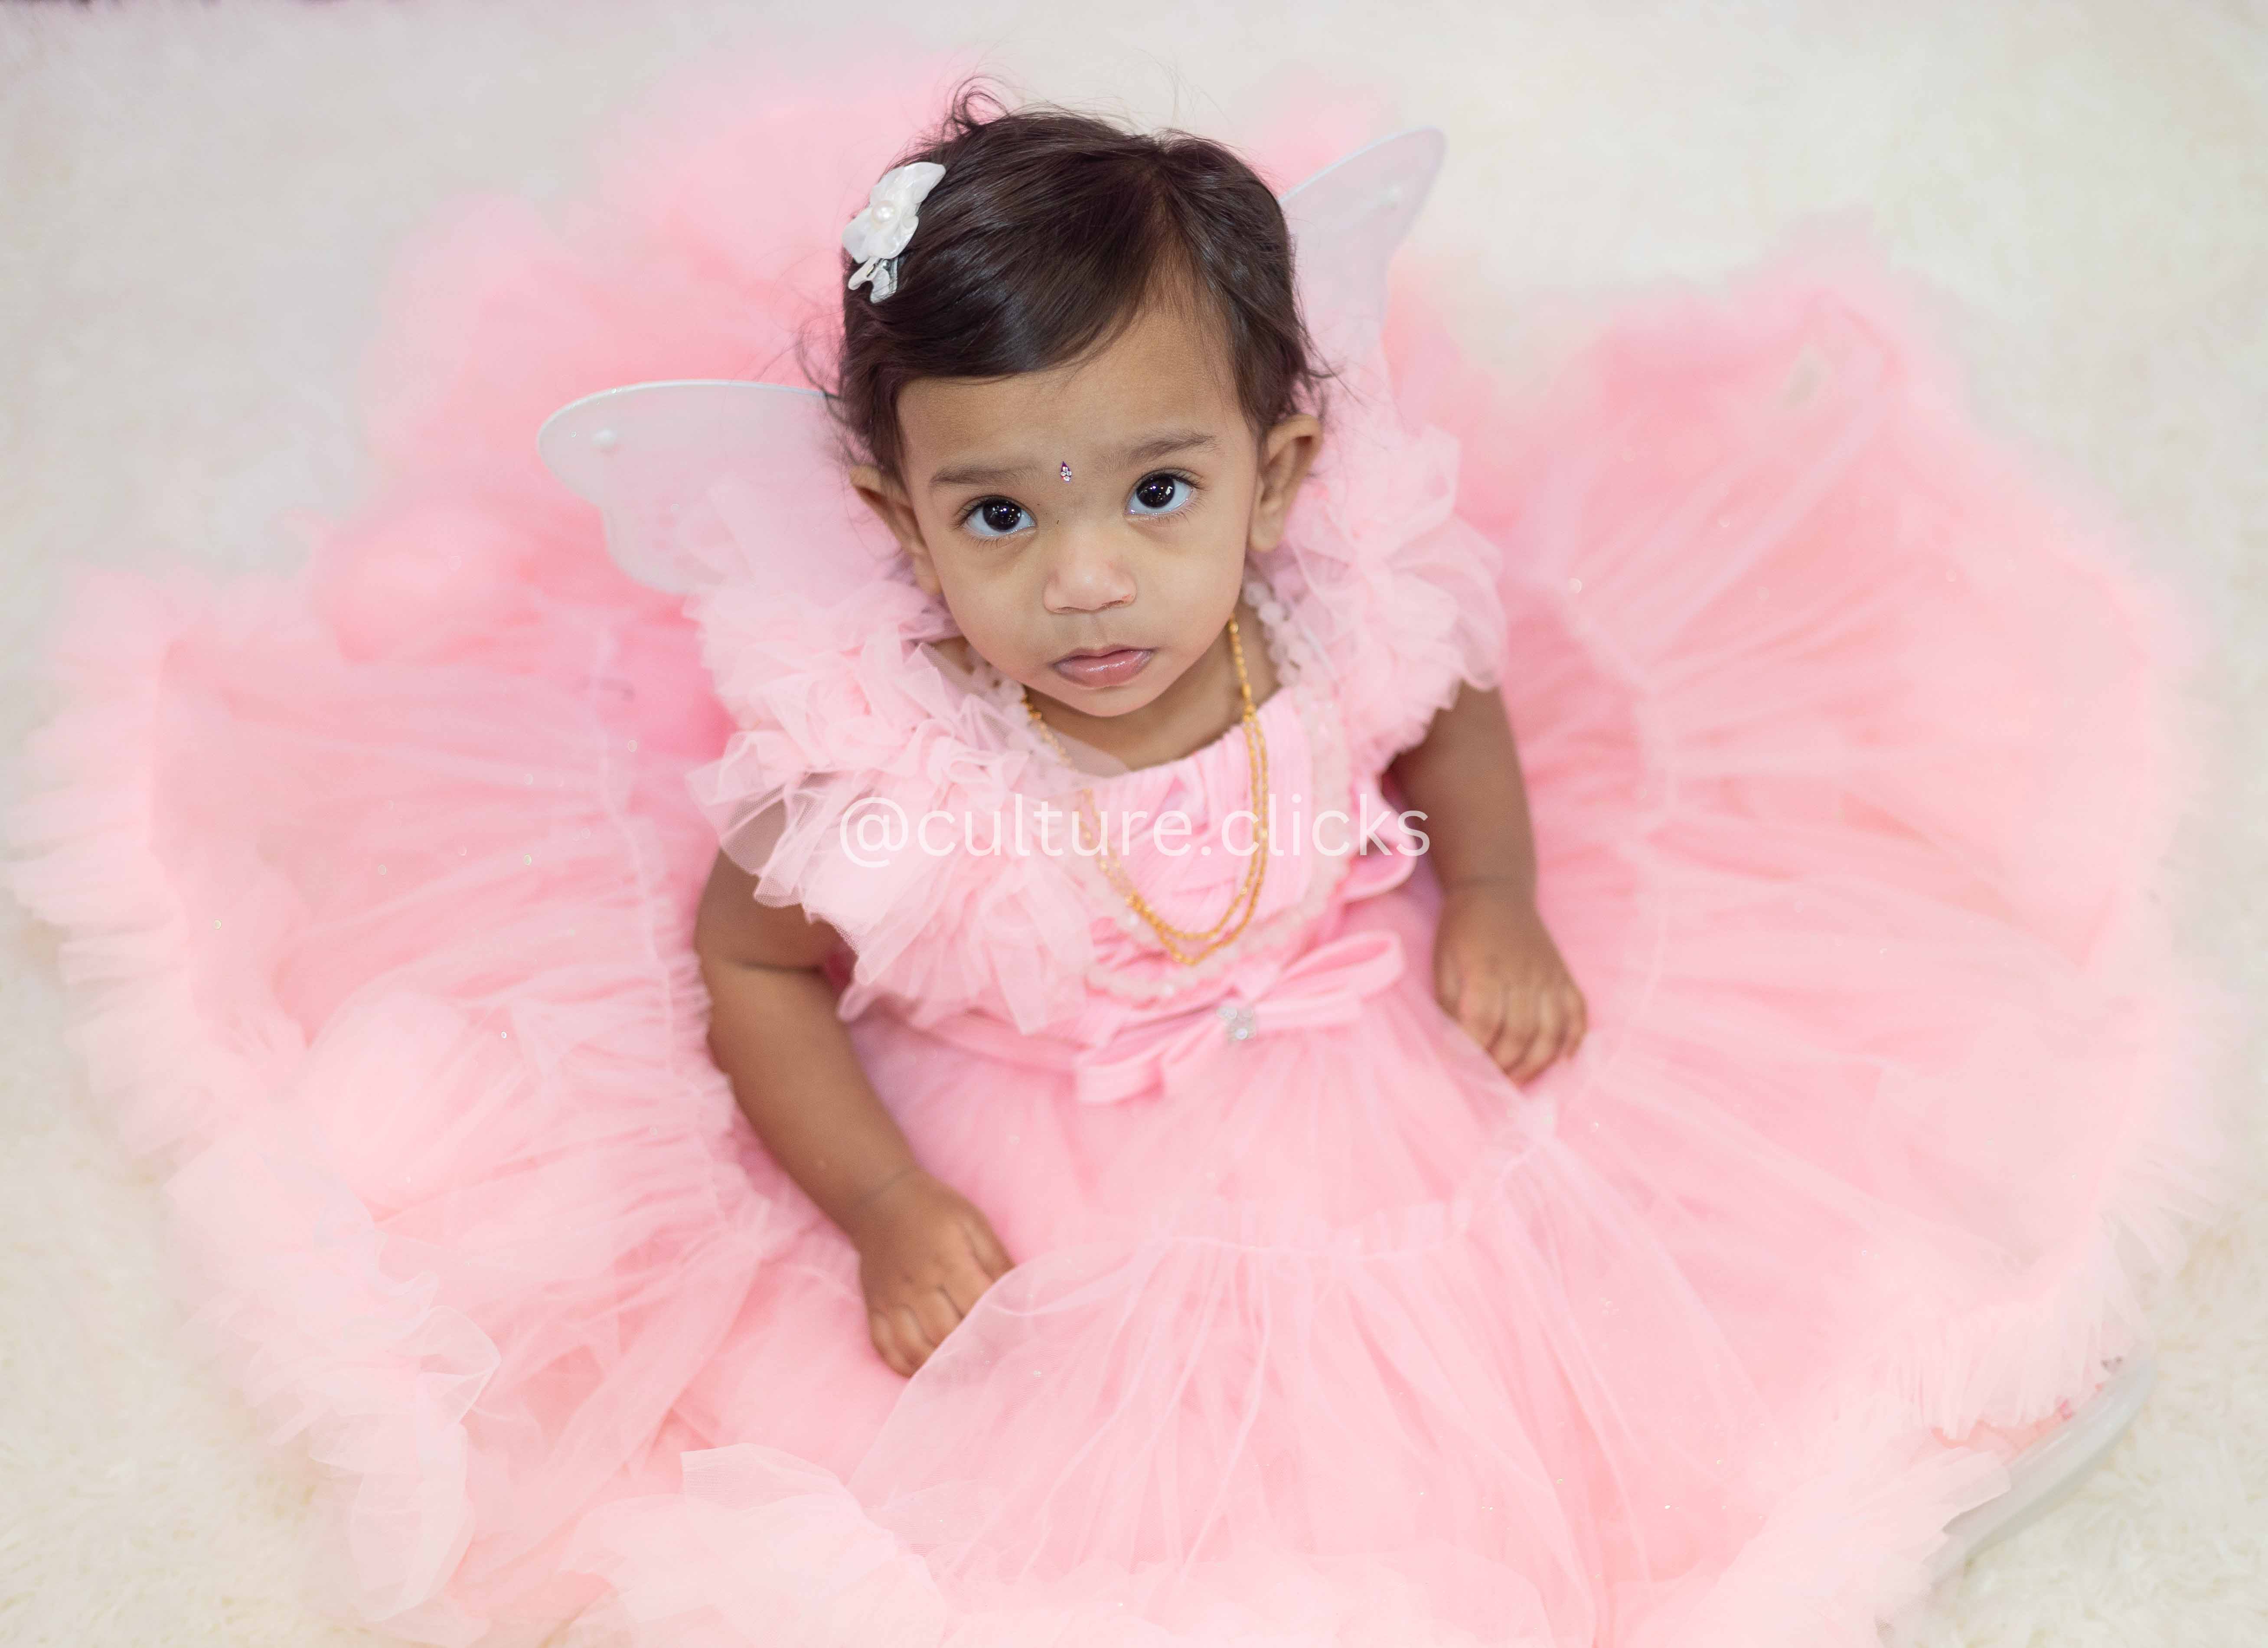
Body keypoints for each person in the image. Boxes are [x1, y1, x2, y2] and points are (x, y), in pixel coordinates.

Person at [6, 76, 2228, 1648]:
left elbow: (1452, 712)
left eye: (1156, 494)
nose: (1087, 582)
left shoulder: (1346, 606)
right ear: (895, 523)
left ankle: (1857, 1441)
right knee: (1121, 1510)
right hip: (1059, 1137)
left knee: (1698, 1289)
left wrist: (1493, 897)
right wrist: (880, 1199)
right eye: (1000, 516)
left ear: (1280, 461)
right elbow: (753, 969)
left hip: (1359, 1048)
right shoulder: (888, 774)